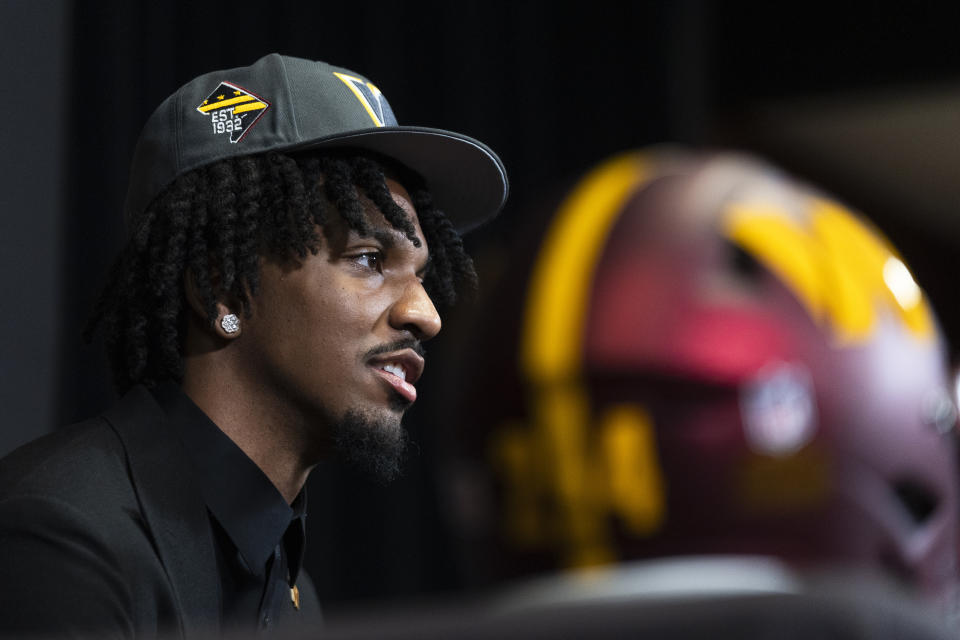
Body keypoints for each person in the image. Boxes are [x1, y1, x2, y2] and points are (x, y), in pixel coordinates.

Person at [0, 53, 508, 638]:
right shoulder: (63, 538)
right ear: (221, 288)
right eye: (369, 259)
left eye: (421, 274)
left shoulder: (293, 590)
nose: (426, 315)